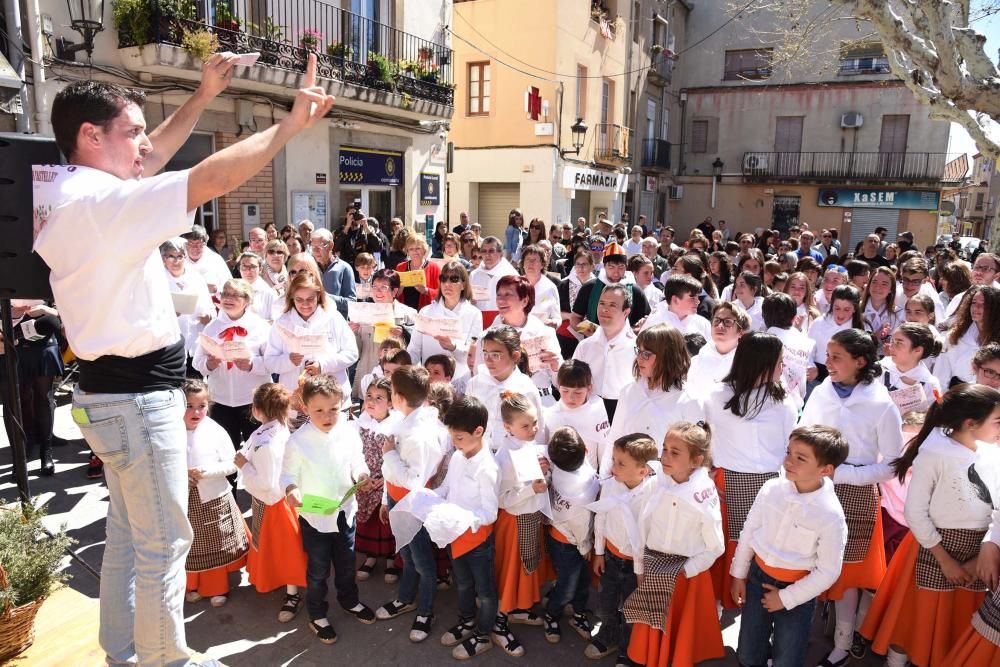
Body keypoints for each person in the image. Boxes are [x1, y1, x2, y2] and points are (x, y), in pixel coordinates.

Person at [35, 53, 332, 666]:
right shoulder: (101, 206)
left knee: (126, 538)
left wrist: (201, 96)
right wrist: (289, 127)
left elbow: (154, 162)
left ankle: (123, 652)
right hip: (138, 402)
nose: (145, 144)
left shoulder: (75, 193)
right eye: (132, 131)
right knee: (165, 544)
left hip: (108, 396)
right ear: (91, 137)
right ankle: (165, 658)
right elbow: (208, 180)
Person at [859, 384, 1000, 667]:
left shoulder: (991, 453)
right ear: (971, 424)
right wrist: (945, 560)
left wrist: (987, 546)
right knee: (913, 618)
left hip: (977, 552)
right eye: (998, 421)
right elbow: (916, 512)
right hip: (933, 548)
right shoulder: (935, 454)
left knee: (956, 624)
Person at [799, 328, 904, 666]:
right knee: (807, 561)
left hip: (856, 494)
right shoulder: (821, 392)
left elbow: (891, 465)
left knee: (847, 574)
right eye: (828, 356)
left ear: (860, 361)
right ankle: (800, 635)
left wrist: (843, 474)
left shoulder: (882, 405)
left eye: (836, 358)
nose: (827, 363)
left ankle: (842, 643)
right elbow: (804, 432)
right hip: (814, 487)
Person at [731, 425, 850, 667]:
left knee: (788, 658)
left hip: (798, 592)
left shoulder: (830, 515)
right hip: (756, 580)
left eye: (800, 458)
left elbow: (828, 571)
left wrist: (786, 598)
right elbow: (749, 531)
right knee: (748, 652)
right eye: (789, 452)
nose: (789, 461)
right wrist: (738, 575)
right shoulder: (771, 488)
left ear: (825, 469)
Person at [704, 333, 799, 610]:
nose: (783, 368)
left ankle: (754, 614)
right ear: (762, 364)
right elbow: (707, 438)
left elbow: (788, 447)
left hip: (769, 485)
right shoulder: (716, 396)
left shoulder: (784, 402)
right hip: (726, 484)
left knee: (759, 550)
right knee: (722, 548)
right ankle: (716, 609)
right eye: (780, 362)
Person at [282, 376, 377, 643]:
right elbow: (288, 473)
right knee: (318, 569)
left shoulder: (348, 431)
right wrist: (291, 489)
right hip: (315, 517)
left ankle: (349, 600)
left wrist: (361, 474)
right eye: (319, 410)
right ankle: (317, 612)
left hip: (345, 511)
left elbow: (357, 460)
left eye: (333, 409)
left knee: (347, 563)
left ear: (342, 405)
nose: (327, 416)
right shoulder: (298, 441)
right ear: (306, 408)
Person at [625, 422, 726, 667]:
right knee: (652, 637)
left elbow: (716, 547)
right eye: (665, 448)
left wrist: (685, 571)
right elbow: (643, 528)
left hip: (685, 579)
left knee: (678, 640)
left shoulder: (702, 494)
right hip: (654, 569)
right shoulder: (658, 482)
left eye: (675, 452)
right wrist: (640, 567)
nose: (664, 456)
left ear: (696, 460)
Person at [375, 366, 444, 642]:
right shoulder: (404, 419)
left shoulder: (421, 433)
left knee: (423, 562)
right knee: (407, 553)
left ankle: (425, 611)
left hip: (412, 502)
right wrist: (384, 498)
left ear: (398, 396)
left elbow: (414, 480)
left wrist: (390, 454)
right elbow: (390, 470)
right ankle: (406, 597)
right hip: (396, 497)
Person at [436, 396, 502, 660]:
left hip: (477, 541)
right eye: (452, 437)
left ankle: (483, 634)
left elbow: (489, 514)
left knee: (485, 592)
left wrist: (460, 516)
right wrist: (429, 496)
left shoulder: (488, 467)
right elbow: (447, 487)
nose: (454, 442)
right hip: (455, 534)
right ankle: (465, 621)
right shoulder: (458, 455)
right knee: (462, 584)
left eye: (459, 437)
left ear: (479, 431)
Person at [235, 383, 307, 621]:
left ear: (256, 410)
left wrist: (244, 466)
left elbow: (266, 482)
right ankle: (287, 586)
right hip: (278, 500)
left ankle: (292, 593)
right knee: (281, 547)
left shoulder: (267, 442)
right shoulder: (277, 431)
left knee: (284, 549)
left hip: (275, 503)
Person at [585, 433, 658, 663]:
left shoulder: (652, 495)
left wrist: (641, 569)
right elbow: (601, 519)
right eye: (614, 460)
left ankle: (628, 649)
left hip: (635, 566)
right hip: (611, 557)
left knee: (631, 611)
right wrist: (598, 552)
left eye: (620, 463)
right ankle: (608, 635)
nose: (613, 467)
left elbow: (647, 536)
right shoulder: (610, 486)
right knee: (605, 604)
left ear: (642, 471)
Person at [491, 392, 550, 657]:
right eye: (526, 426)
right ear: (508, 427)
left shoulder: (529, 445)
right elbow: (502, 499)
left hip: (530, 518)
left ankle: (518, 608)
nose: (533, 429)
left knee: (527, 566)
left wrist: (543, 470)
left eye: (534, 423)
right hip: (514, 522)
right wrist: (531, 490)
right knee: (510, 572)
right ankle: (498, 621)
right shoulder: (503, 458)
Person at [181, 380, 248, 608]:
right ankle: (191, 585)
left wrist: (206, 472)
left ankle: (217, 587)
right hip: (183, 500)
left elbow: (232, 464)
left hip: (213, 498)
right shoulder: (170, 432)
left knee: (216, 543)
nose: (196, 411)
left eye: (202, 405)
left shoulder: (215, 430)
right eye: (189, 406)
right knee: (190, 545)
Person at [604, 325, 703, 474]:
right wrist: (605, 478)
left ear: (667, 356)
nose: (638, 358)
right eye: (638, 351)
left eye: (646, 354)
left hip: (664, 487)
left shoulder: (690, 399)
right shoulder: (628, 391)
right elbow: (614, 438)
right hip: (623, 484)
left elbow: (695, 454)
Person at [192, 278, 271, 450]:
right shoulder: (212, 327)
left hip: (253, 399)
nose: (228, 299)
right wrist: (210, 363)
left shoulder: (260, 327)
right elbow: (197, 361)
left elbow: (272, 362)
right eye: (225, 294)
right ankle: (230, 478)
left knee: (257, 449)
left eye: (235, 295)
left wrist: (252, 364)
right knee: (226, 450)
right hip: (221, 400)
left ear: (247, 300)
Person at [265, 272, 358, 404]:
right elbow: (270, 361)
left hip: (332, 399)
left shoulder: (333, 317)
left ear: (319, 296)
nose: (305, 304)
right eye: (299, 300)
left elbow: (351, 353)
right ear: (291, 298)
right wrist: (288, 360)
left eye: (310, 299)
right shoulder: (282, 323)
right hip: (295, 400)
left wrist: (323, 364)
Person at [542, 428, 599, 643]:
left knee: (581, 582)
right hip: (571, 544)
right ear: (585, 450)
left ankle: (578, 613)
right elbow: (580, 524)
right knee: (567, 587)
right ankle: (552, 614)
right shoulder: (581, 487)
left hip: (561, 538)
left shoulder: (557, 466)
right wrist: (585, 548)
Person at [480, 275, 563, 406]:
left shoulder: (545, 333)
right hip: (500, 405)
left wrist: (556, 366)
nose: (501, 300)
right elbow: (480, 378)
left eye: (508, 295)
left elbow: (561, 384)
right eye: (499, 295)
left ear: (524, 301)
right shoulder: (485, 337)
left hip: (540, 403)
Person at [352, 378, 402, 585]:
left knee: (386, 521)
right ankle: (371, 557)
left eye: (379, 398)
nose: (371, 401)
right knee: (368, 522)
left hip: (386, 481)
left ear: (391, 403)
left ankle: (391, 559)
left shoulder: (397, 426)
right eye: (369, 396)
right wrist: (363, 477)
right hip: (365, 481)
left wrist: (384, 480)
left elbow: (399, 457)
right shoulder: (359, 423)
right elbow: (354, 453)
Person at [465, 326, 543, 447]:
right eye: (485, 354)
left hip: (513, 456)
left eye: (496, 355)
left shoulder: (526, 388)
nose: (488, 360)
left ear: (515, 356)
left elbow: (538, 432)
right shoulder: (475, 383)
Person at [407, 261, 483, 382]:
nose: (447, 284)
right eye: (443, 278)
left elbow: (474, 355)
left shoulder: (474, 314)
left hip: (460, 382)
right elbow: (414, 350)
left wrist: (453, 347)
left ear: (463, 284)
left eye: (454, 279)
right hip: (429, 382)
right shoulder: (425, 312)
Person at [348, 269, 417, 401]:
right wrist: (353, 333)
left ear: (395, 291)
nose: (378, 292)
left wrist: (404, 333)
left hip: (397, 380)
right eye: (374, 287)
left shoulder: (410, 314)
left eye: (383, 287)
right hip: (369, 376)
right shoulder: (363, 313)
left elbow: (416, 350)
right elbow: (357, 352)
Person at [571, 284, 637, 421]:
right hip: (587, 413)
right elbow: (571, 382)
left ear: (626, 311)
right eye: (601, 303)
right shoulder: (585, 346)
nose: (604, 309)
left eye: (613, 305)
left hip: (624, 415)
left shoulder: (637, 348)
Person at [543, 360, 611, 472]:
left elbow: (604, 447)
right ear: (558, 386)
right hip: (561, 478)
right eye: (565, 391)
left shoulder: (597, 406)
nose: (571, 397)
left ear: (589, 388)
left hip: (590, 477)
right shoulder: (551, 414)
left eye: (578, 392)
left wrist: (604, 479)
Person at [572, 243, 651, 330]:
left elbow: (647, 321)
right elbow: (575, 317)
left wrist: (631, 332)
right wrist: (590, 333)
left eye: (621, 267)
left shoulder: (635, 291)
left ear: (626, 267)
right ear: (604, 266)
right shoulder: (590, 287)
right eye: (611, 267)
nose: (616, 272)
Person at [935, 286, 1000, 389]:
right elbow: (940, 376)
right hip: (959, 397)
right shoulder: (954, 336)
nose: (976, 308)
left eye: (983, 305)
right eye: (974, 303)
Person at [686, 301, 751, 398]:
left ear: (741, 332)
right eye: (716, 320)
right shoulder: (697, 361)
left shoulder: (747, 363)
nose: (720, 326)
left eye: (727, 322)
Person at [881, 323, 942, 414]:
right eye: (892, 341)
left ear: (918, 350)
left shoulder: (930, 384)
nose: (891, 347)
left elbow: (932, 417)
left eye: (899, 343)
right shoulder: (880, 368)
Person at [808, 285, 863, 384]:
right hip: (817, 378)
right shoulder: (818, 323)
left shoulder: (861, 329)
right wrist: (811, 366)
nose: (841, 314)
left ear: (854, 308)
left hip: (846, 381)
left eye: (846, 309)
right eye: (837, 308)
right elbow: (807, 351)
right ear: (831, 305)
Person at [640, 274, 712, 338]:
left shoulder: (703, 324)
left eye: (697, 297)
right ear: (675, 300)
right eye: (692, 297)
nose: (698, 301)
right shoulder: (654, 323)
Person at [470, 236, 519, 327]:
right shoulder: (474, 275)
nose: (487, 255)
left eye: (491, 251)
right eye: (484, 251)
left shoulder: (510, 275)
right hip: (478, 321)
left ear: (501, 253)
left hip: (503, 322)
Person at [311, 227, 357, 319]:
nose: (315, 251)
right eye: (313, 247)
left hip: (336, 324)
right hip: (312, 324)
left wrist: (325, 297)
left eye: (319, 247)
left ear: (331, 245)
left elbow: (352, 303)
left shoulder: (344, 268)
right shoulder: (308, 266)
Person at [861, 266, 903, 352]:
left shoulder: (899, 313)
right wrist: (875, 337)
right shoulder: (856, 309)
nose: (878, 287)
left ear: (891, 289)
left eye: (884, 284)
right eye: (874, 282)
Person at [184, 224, 232, 294]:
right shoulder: (178, 258)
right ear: (185, 244)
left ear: (205, 243)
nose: (195, 248)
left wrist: (216, 289)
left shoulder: (216, 260)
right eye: (191, 243)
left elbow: (230, 286)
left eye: (199, 244)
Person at [396, 236, 440, 311]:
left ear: (424, 250)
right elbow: (393, 293)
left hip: (426, 312)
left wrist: (426, 291)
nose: (414, 252)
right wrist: (398, 291)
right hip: (404, 312)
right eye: (411, 249)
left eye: (418, 248)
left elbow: (442, 293)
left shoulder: (434, 267)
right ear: (408, 252)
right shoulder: (400, 267)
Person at [237, 251, 279, 322]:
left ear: (260, 269)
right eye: (244, 266)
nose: (248, 271)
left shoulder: (269, 293)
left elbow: (277, 321)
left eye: (252, 267)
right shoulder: (233, 289)